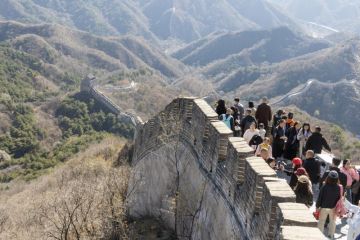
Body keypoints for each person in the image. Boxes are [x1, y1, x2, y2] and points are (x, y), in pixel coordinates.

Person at [316, 170, 341, 239]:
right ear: (337, 179)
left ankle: (319, 235)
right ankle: (331, 235)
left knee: (321, 221)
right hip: (333, 208)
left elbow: (320, 197)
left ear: (328, 178)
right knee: (333, 222)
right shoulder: (338, 188)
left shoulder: (324, 186)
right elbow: (338, 198)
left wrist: (317, 206)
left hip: (324, 207)